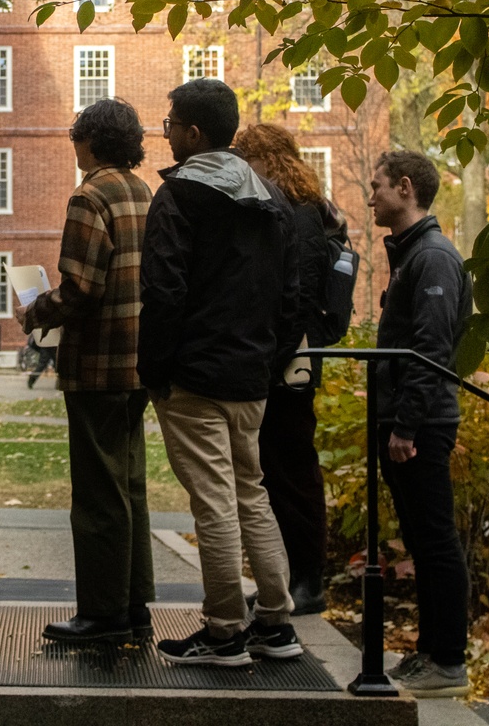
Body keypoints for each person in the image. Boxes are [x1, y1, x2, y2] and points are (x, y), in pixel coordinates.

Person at [138, 79, 302, 668]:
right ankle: (276, 623)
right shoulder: (273, 201)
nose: (165, 131)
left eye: (170, 123)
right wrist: (270, 359)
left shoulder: (179, 196)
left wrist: (154, 370)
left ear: (194, 134)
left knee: (214, 501)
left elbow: (162, 291)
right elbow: (291, 297)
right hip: (251, 377)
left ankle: (226, 630)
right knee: (251, 495)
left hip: (194, 378)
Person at [14, 98, 156, 645]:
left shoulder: (89, 195)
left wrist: (34, 312)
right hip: (139, 363)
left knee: (98, 494)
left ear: (90, 140)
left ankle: (102, 613)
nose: (74, 146)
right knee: (131, 486)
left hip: (96, 364)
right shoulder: (145, 193)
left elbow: (80, 288)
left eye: (77, 137)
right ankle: (135, 604)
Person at [368, 150, 473, 696]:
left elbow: (431, 349)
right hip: (410, 418)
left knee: (433, 541)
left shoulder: (432, 258)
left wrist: (406, 426)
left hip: (424, 424)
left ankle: (448, 661)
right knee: (420, 537)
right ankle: (431, 651)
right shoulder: (412, 255)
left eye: (378, 186)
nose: (371, 196)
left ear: (406, 188)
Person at [233, 123, 339, 616]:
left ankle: (308, 581)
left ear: (262, 160)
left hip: (290, 361)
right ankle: (289, 577)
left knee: (292, 469)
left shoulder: (297, 214)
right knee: (276, 471)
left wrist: (272, 358)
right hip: (286, 357)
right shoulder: (304, 209)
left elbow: (298, 296)